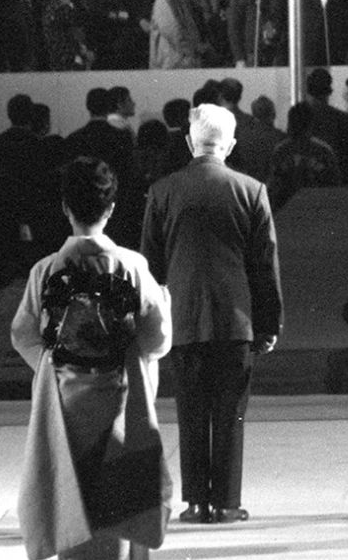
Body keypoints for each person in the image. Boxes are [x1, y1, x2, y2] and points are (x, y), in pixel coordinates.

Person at [11, 157, 172, 560]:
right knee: (121, 499)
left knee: (70, 495)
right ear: (112, 208)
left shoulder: (46, 270)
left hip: (65, 398)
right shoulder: (132, 266)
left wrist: (51, 363)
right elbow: (158, 337)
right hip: (120, 394)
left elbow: (22, 333)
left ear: (65, 208)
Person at [140, 104, 282, 525]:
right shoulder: (251, 190)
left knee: (190, 413)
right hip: (236, 321)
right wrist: (269, 324)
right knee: (230, 414)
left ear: (189, 142)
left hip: (183, 319)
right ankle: (226, 501)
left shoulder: (163, 191)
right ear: (231, 144)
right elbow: (265, 265)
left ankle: (195, 502)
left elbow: (151, 264)